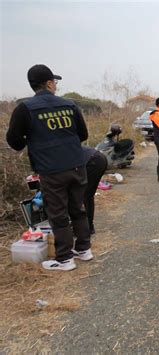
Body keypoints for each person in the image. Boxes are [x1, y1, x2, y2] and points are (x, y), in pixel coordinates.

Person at [6, 64, 92, 271]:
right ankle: (84, 249)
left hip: (51, 170)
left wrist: (34, 138)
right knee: (78, 208)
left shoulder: (25, 109)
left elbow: (15, 141)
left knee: (58, 214)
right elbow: (83, 135)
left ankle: (64, 259)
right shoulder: (70, 105)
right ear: (50, 83)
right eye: (55, 82)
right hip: (77, 165)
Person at [82, 146, 108, 234]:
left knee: (85, 196)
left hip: (93, 161)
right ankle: (89, 226)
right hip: (100, 158)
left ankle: (87, 228)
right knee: (88, 196)